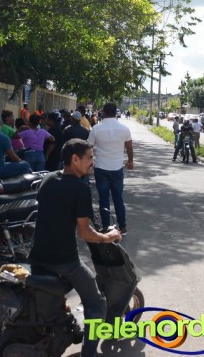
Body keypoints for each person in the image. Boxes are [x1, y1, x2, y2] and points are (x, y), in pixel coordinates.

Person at [27, 139, 121, 357]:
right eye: (89, 158)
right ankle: (88, 353)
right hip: (65, 261)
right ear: (75, 159)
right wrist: (107, 237)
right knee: (97, 303)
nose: (92, 162)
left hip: (37, 256)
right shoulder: (80, 188)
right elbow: (85, 233)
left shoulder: (48, 178)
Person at [87, 103, 133, 234]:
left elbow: (88, 146)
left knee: (104, 198)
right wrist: (130, 161)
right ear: (116, 112)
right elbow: (129, 147)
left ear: (103, 112)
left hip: (101, 167)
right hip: (117, 168)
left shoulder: (96, 129)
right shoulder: (124, 129)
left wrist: (89, 162)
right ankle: (122, 226)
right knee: (118, 198)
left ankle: (106, 227)